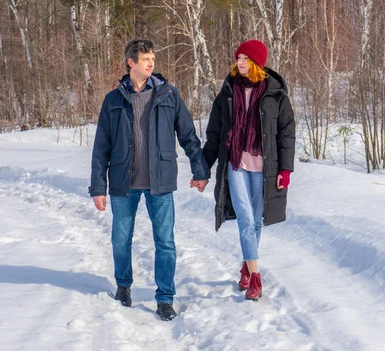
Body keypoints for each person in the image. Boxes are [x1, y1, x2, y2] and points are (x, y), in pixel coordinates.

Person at [89, 38, 210, 321]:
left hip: (161, 181)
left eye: (153, 58)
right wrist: (98, 187)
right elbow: (101, 147)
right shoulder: (113, 99)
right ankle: (123, 286)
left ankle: (165, 298)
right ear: (131, 62)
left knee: (165, 241)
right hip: (123, 182)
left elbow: (188, 136)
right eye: (145, 59)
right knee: (121, 240)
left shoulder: (169, 94)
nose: (151, 63)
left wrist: (200, 170)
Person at [201, 39, 295, 301]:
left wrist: (285, 169)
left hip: (264, 166)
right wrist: (203, 169)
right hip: (236, 163)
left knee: (255, 219)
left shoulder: (275, 94)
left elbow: (287, 134)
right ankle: (255, 276)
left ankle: (246, 262)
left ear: (256, 63)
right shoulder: (228, 92)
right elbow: (215, 133)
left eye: (245, 59)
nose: (239, 63)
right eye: (238, 58)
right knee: (245, 217)